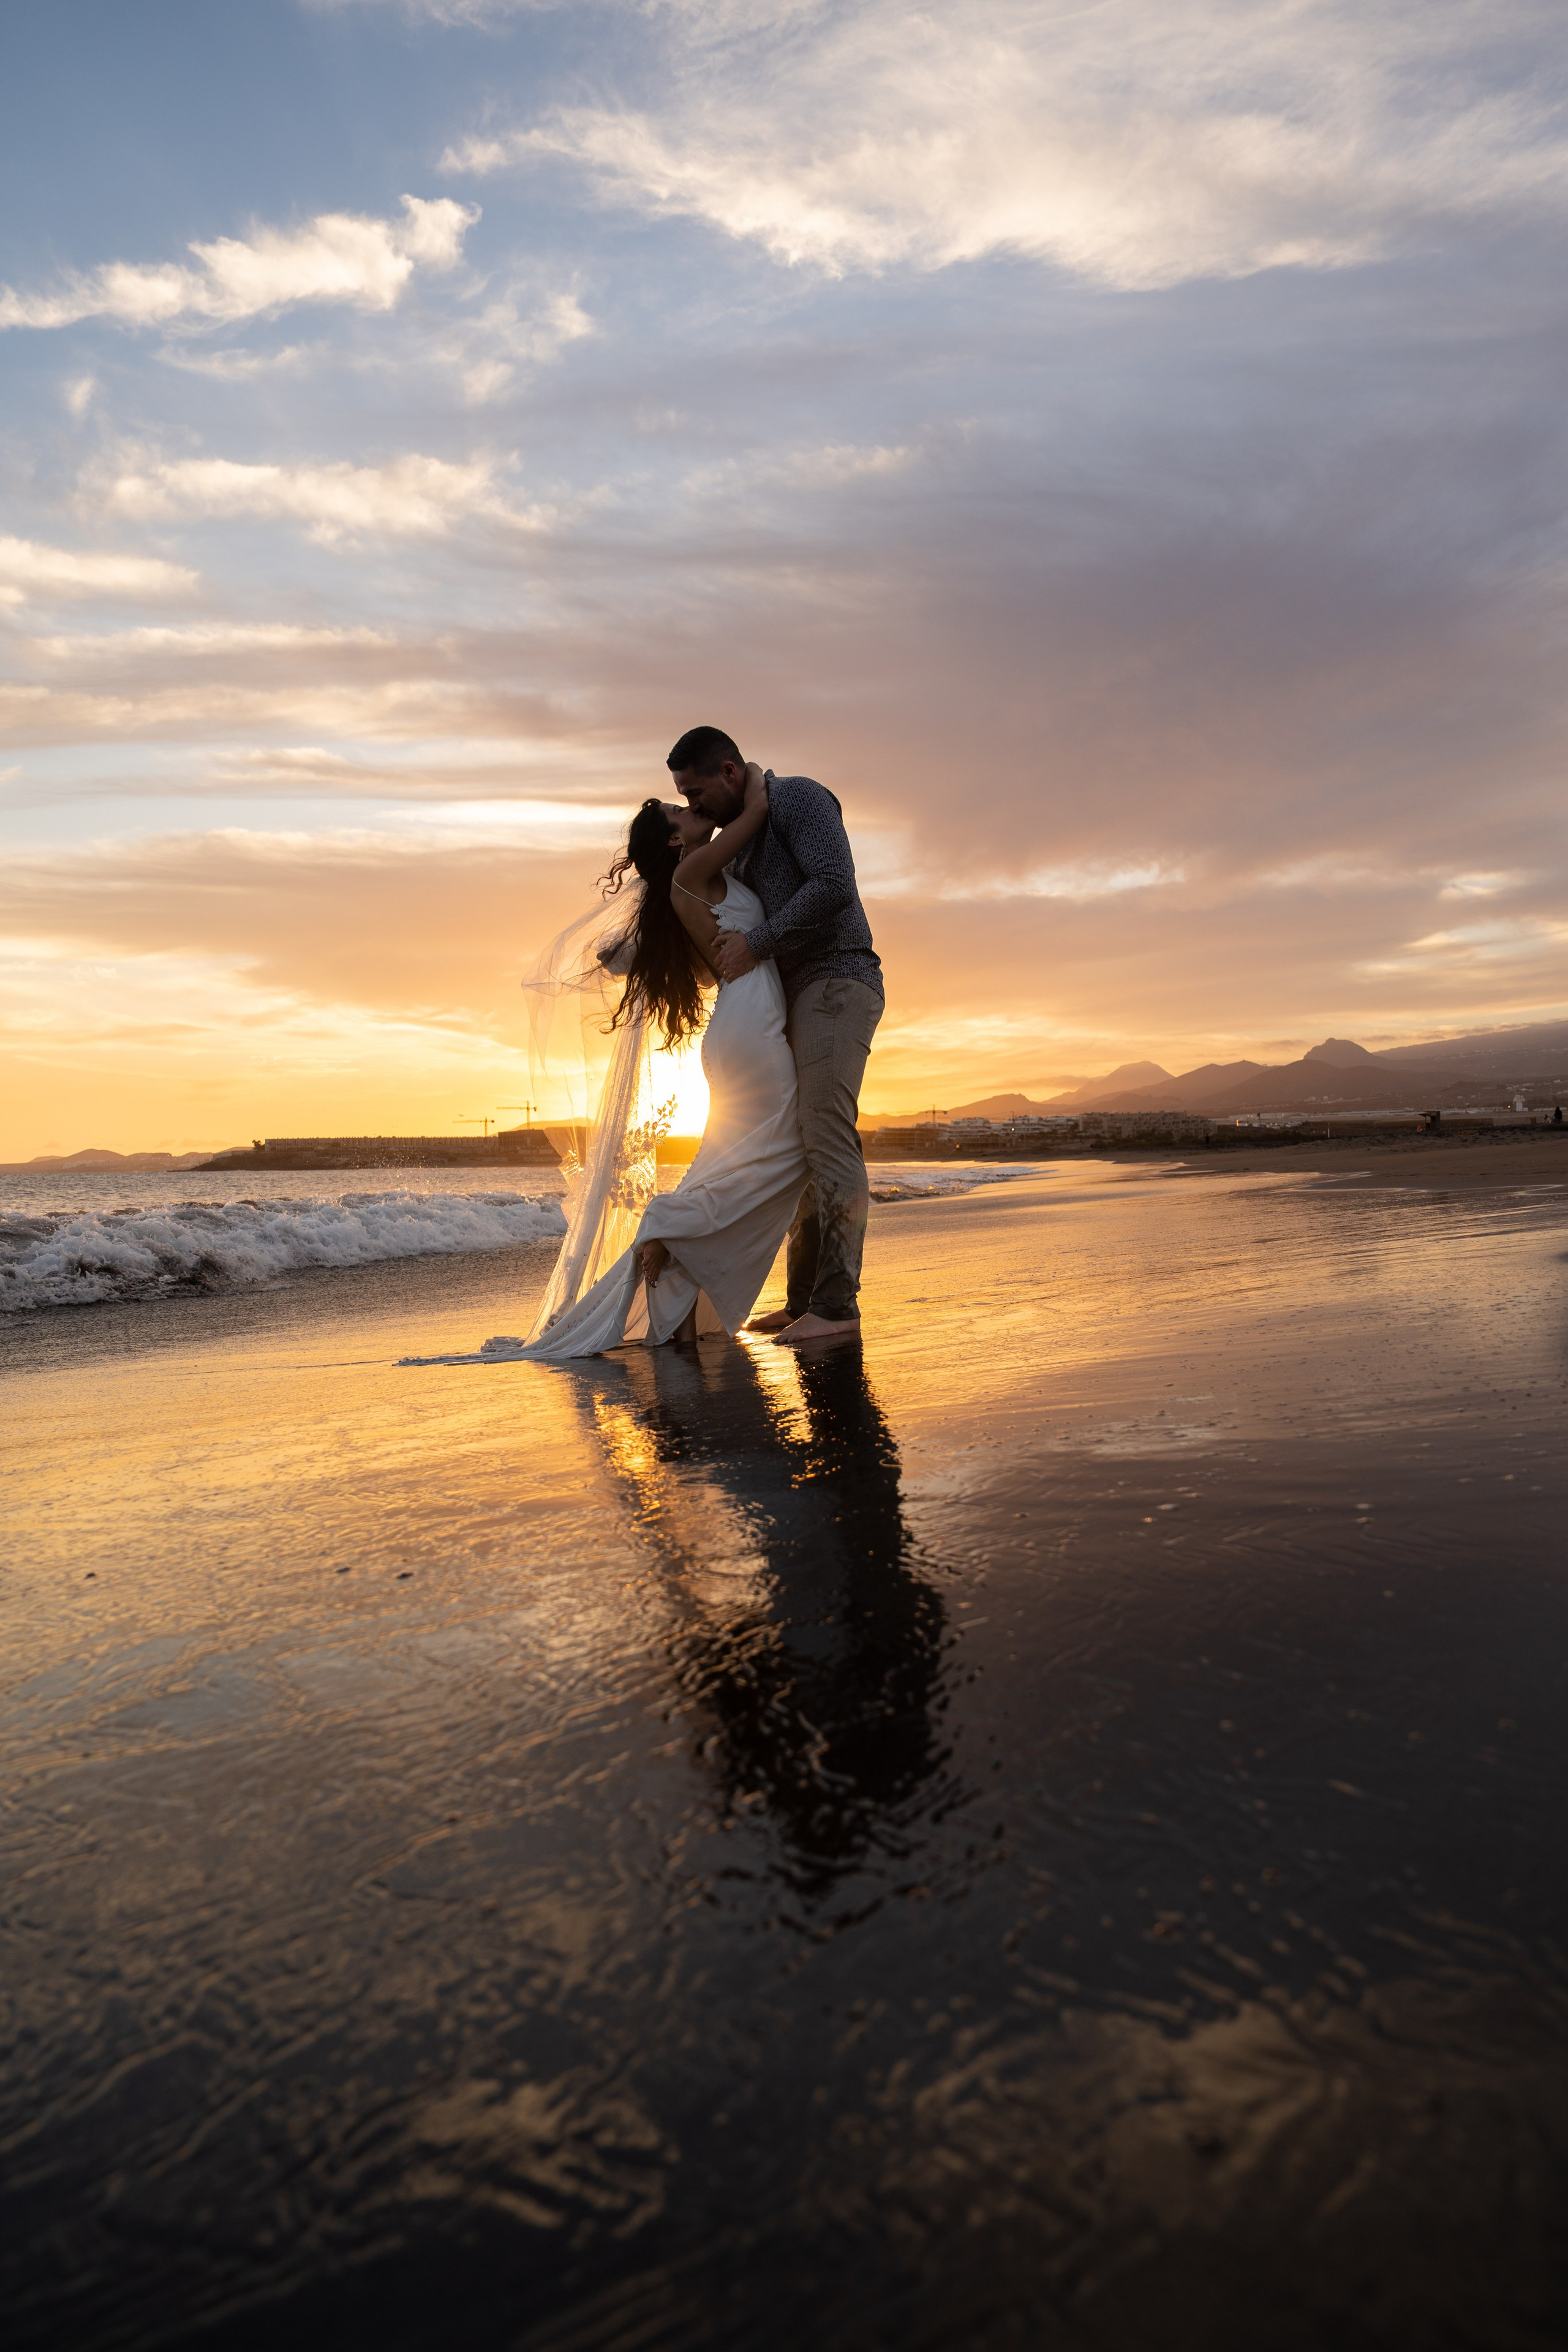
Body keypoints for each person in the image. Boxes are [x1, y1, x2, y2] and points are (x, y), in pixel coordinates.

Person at [429, 761, 812, 1363]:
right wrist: (753, 778)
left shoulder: (697, 882)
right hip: (750, 1030)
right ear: (673, 841)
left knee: (738, 1163)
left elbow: (690, 963)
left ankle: (675, 1281)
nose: (690, 809)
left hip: (744, 1026)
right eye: (679, 811)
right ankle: (664, 1225)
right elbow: (758, 809)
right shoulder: (691, 872)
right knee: (789, 1155)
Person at [666, 725, 883, 1345]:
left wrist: (756, 944)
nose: (693, 804)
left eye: (695, 791)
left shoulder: (798, 799)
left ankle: (837, 1307)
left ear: (729, 772)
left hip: (836, 980)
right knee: (796, 1143)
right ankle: (802, 1302)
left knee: (825, 1132)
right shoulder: (737, 844)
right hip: (789, 1001)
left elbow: (833, 886)